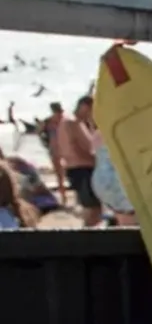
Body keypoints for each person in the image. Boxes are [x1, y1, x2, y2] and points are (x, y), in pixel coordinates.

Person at [59, 96, 103, 227]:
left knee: (93, 208)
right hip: (81, 168)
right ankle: (88, 237)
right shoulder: (71, 123)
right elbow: (77, 148)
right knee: (92, 208)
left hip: (82, 168)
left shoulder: (80, 123)